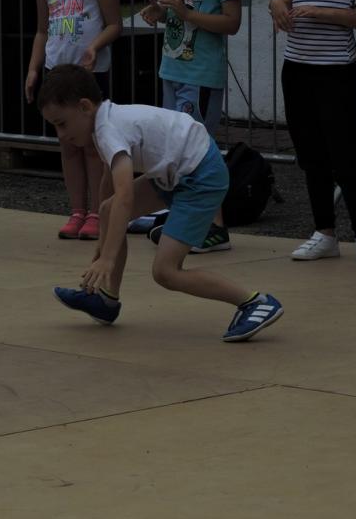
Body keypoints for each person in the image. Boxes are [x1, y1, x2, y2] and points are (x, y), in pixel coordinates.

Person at [38, 65, 283, 342]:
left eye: (62, 124)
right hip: (178, 168)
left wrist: (107, 257)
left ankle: (256, 302)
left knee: (166, 272)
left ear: (84, 107)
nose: (60, 134)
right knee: (107, 211)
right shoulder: (103, 121)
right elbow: (109, 185)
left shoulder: (108, 130)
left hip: (200, 176)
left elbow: (125, 197)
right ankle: (106, 300)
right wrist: (105, 236)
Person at [270, 0, 356, 264]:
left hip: (336, 67)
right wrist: (275, 5)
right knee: (310, 153)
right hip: (296, 67)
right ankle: (324, 232)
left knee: (345, 152)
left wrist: (321, 12)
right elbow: (285, 1)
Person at [140, 0, 242, 253]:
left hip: (200, 76)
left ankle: (215, 226)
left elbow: (232, 23)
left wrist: (187, 14)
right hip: (172, 72)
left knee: (197, 148)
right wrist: (160, 13)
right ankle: (188, 220)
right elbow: (172, 12)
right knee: (176, 150)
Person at [25, 0, 122, 240]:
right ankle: (77, 211)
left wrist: (95, 46)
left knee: (93, 145)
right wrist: (33, 69)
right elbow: (42, 30)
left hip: (90, 72)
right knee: (68, 144)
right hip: (56, 71)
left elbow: (114, 24)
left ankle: (97, 212)